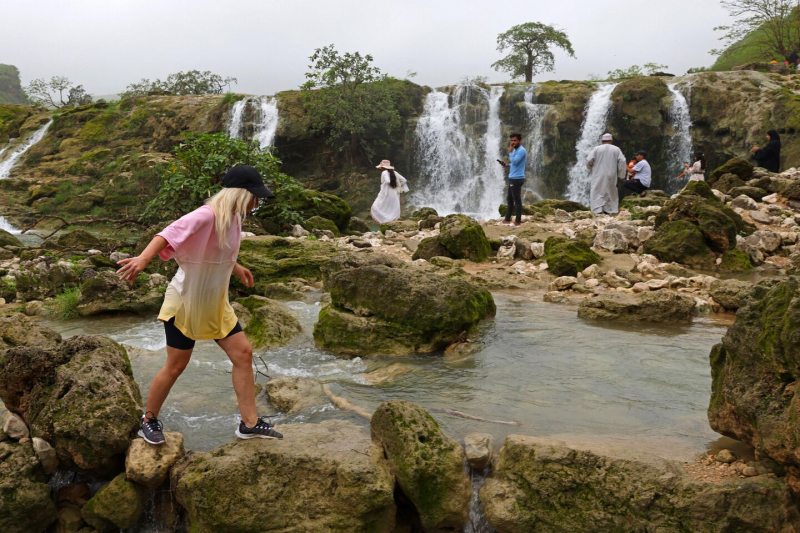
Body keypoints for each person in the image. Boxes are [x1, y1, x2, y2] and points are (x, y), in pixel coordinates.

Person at [117, 165, 283, 445]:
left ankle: (249, 423)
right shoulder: (206, 215)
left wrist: (237, 268)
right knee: (176, 365)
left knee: (243, 354)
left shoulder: (233, 219)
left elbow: (216, 251)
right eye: (254, 196)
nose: (257, 202)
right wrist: (142, 260)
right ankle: (148, 420)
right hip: (186, 302)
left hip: (215, 303)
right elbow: (166, 234)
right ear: (240, 195)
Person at [586, 133, 626, 214]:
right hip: (612, 173)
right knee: (611, 190)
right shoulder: (616, 149)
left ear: (602, 141)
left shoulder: (597, 149)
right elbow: (622, 161)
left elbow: (589, 160)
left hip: (598, 173)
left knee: (597, 190)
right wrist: (621, 175)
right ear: (611, 140)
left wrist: (590, 167)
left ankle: (597, 210)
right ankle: (611, 210)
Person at [499, 133, 527, 226]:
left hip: (517, 179)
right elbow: (514, 164)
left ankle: (517, 222)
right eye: (511, 140)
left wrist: (510, 152)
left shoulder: (521, 150)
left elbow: (515, 162)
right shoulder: (516, 150)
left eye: (515, 140)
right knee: (509, 200)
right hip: (512, 178)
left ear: (519, 141)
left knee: (517, 201)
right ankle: (507, 220)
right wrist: (507, 165)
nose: (513, 142)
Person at [370, 160, 408, 224]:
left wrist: (384, 185)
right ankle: (390, 222)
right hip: (395, 193)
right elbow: (404, 180)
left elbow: (387, 181)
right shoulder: (395, 172)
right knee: (391, 208)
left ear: (383, 167)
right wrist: (397, 185)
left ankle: (382, 222)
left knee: (376, 207)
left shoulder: (384, 172)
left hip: (386, 193)